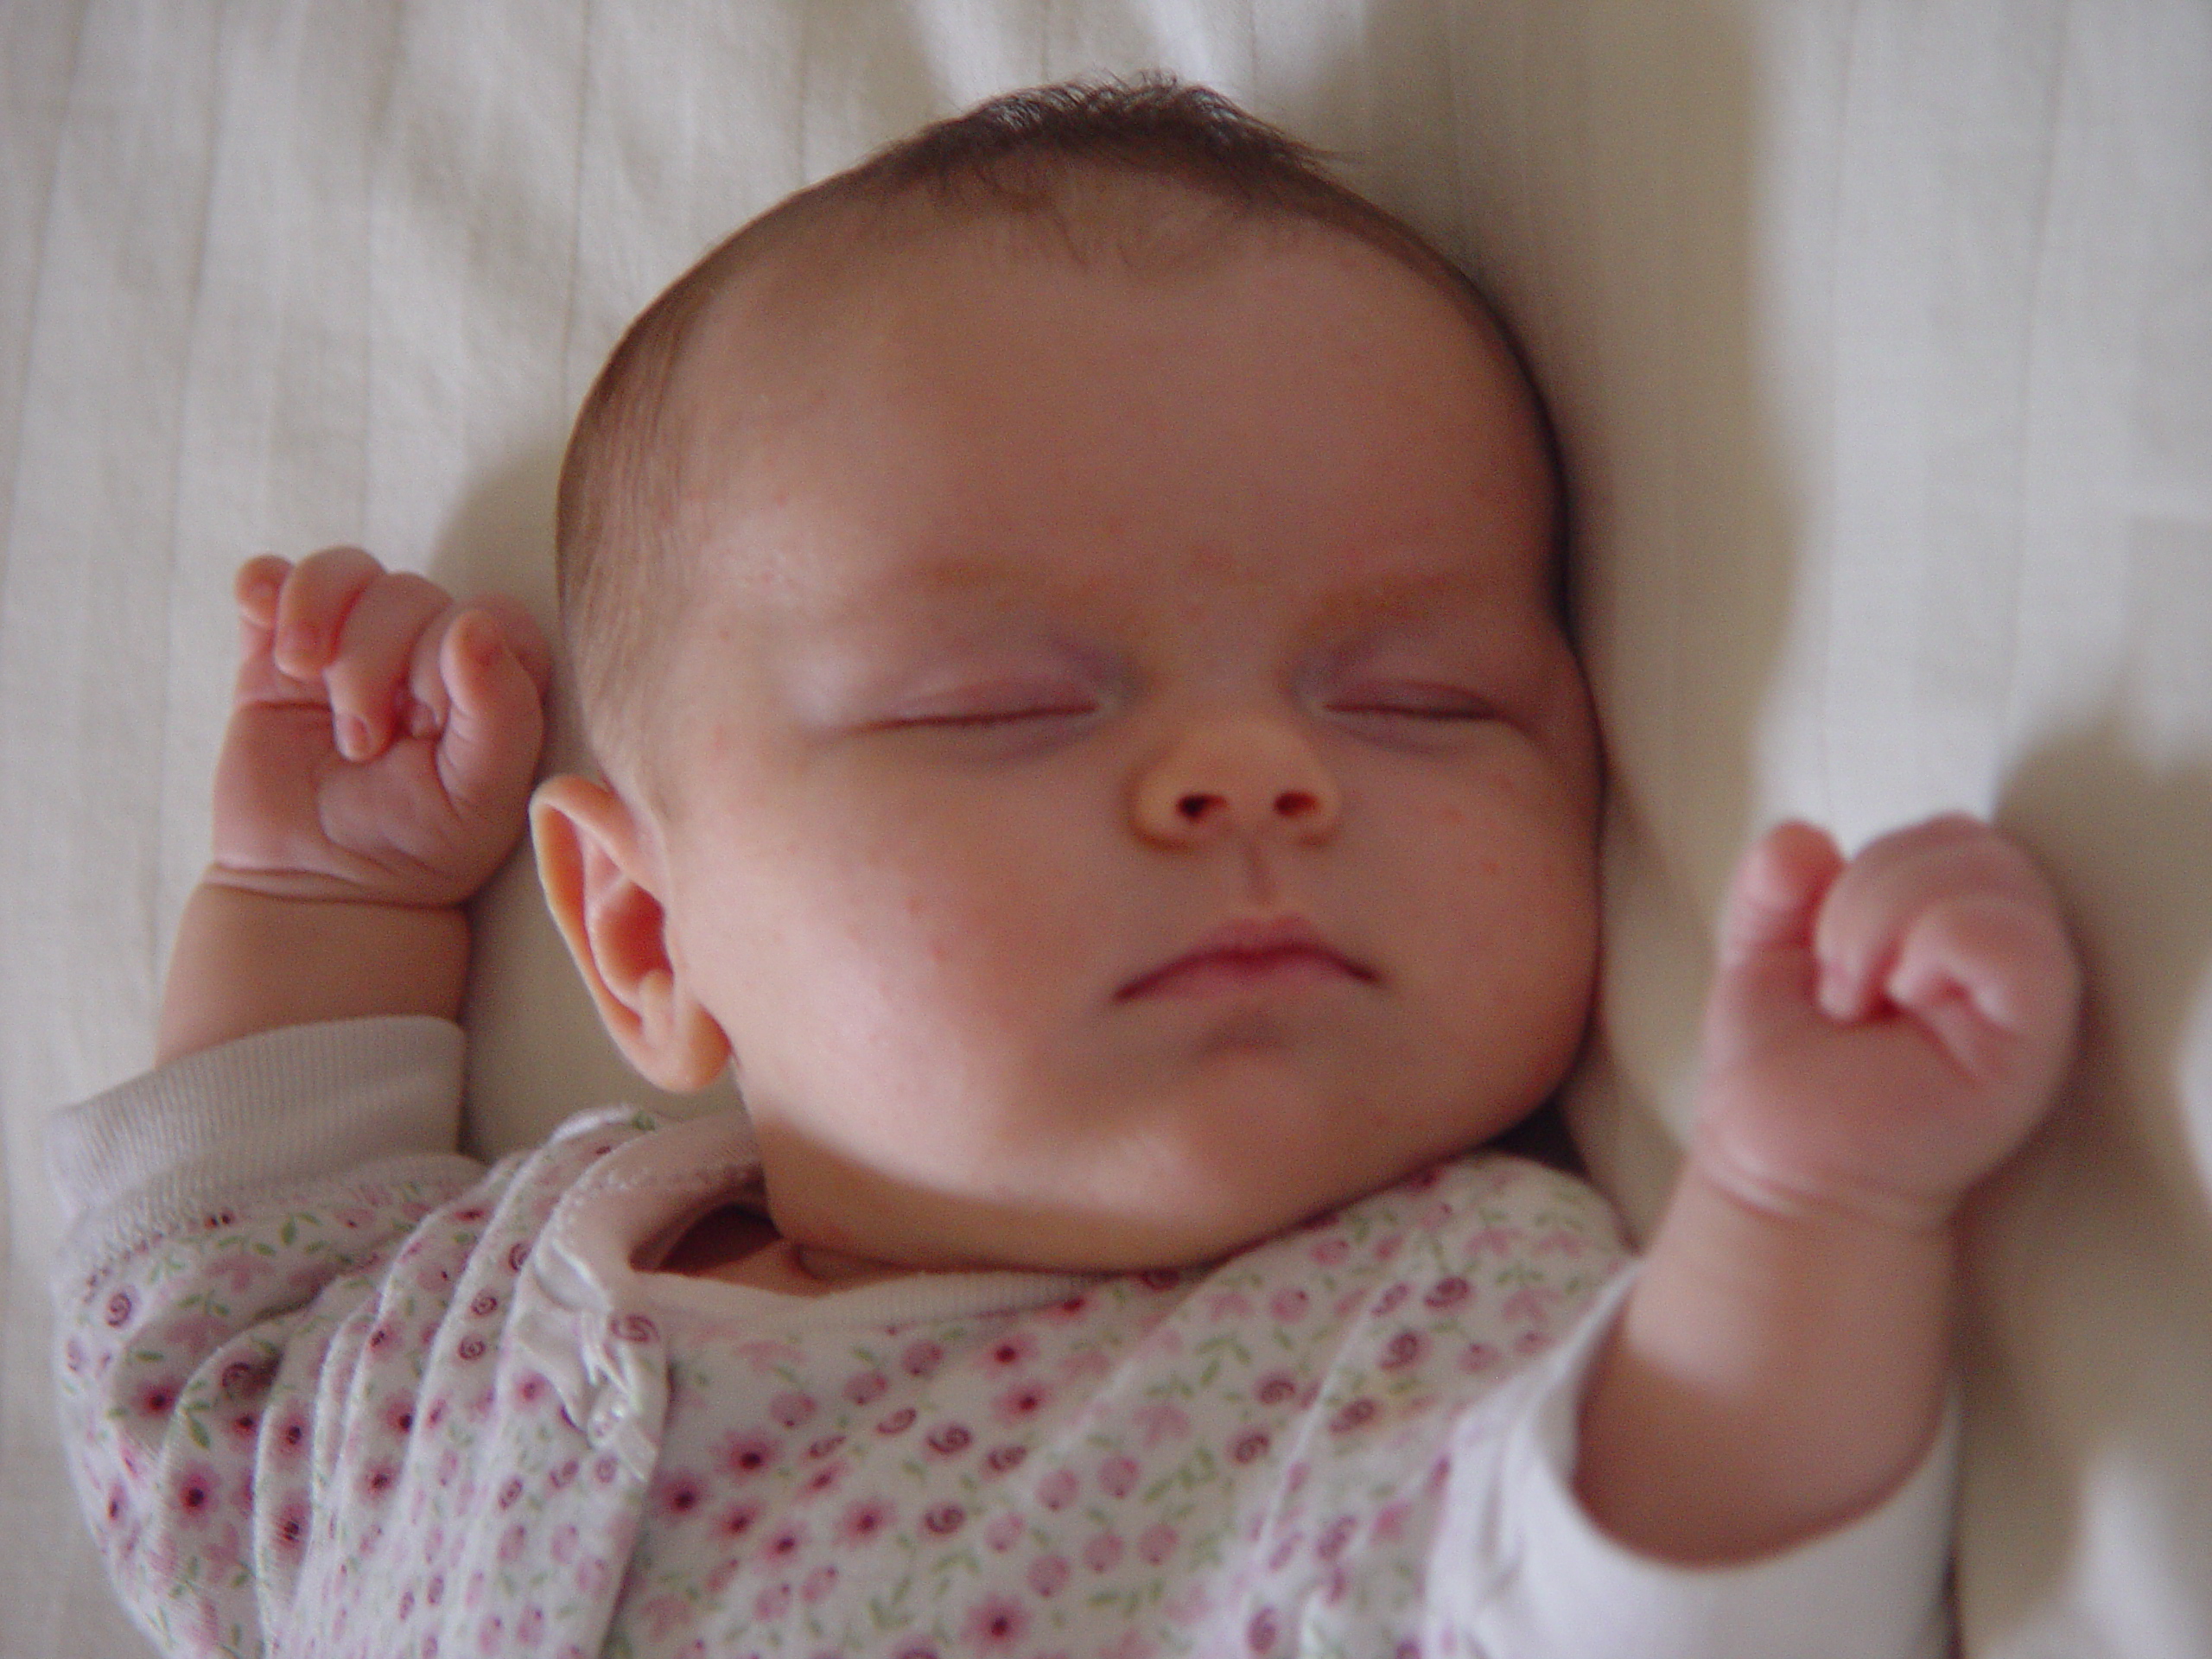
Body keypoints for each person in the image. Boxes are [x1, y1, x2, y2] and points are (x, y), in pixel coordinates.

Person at [48, 79, 2078, 1658]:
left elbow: (1667, 1592)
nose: (1248, 773)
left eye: (1420, 699)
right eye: (999, 708)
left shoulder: (1407, 1346)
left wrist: (1805, 1206)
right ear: (649, 932)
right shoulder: (464, 1338)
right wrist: (325, 901)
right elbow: (212, 1351)